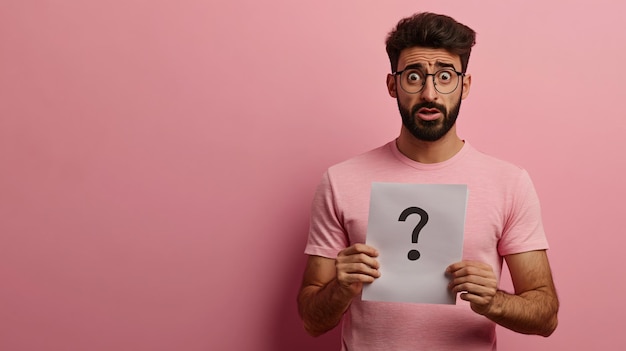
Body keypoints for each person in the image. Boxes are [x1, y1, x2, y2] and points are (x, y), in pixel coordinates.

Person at [297, 12, 559, 350]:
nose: (430, 93)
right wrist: (340, 288)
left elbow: (546, 317)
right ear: (393, 85)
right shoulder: (340, 181)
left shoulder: (509, 183)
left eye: (445, 76)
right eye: (414, 76)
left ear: (464, 86)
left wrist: (493, 301)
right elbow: (311, 320)